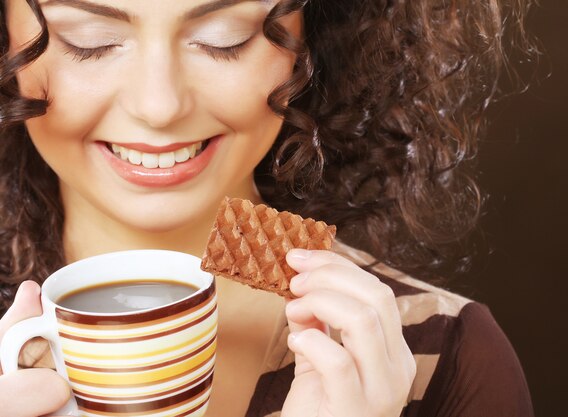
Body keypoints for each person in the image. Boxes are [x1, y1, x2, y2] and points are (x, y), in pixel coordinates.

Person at [0, 0, 536, 416]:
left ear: (313, 39)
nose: (159, 106)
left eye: (223, 40)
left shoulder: (445, 356)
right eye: (88, 42)